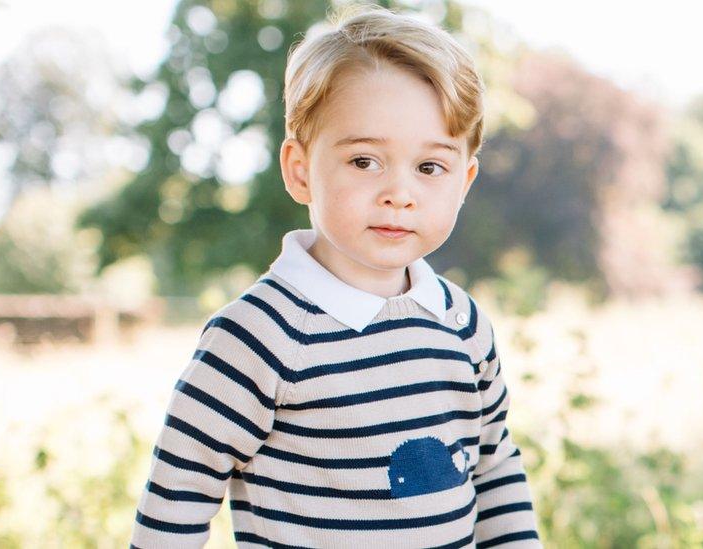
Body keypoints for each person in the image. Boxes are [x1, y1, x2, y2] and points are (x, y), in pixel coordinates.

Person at [130, 4, 542, 547]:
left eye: (429, 167)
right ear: (300, 170)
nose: (400, 192)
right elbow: (176, 497)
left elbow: (492, 471)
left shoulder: (463, 326)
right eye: (365, 161)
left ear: (464, 180)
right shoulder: (258, 337)